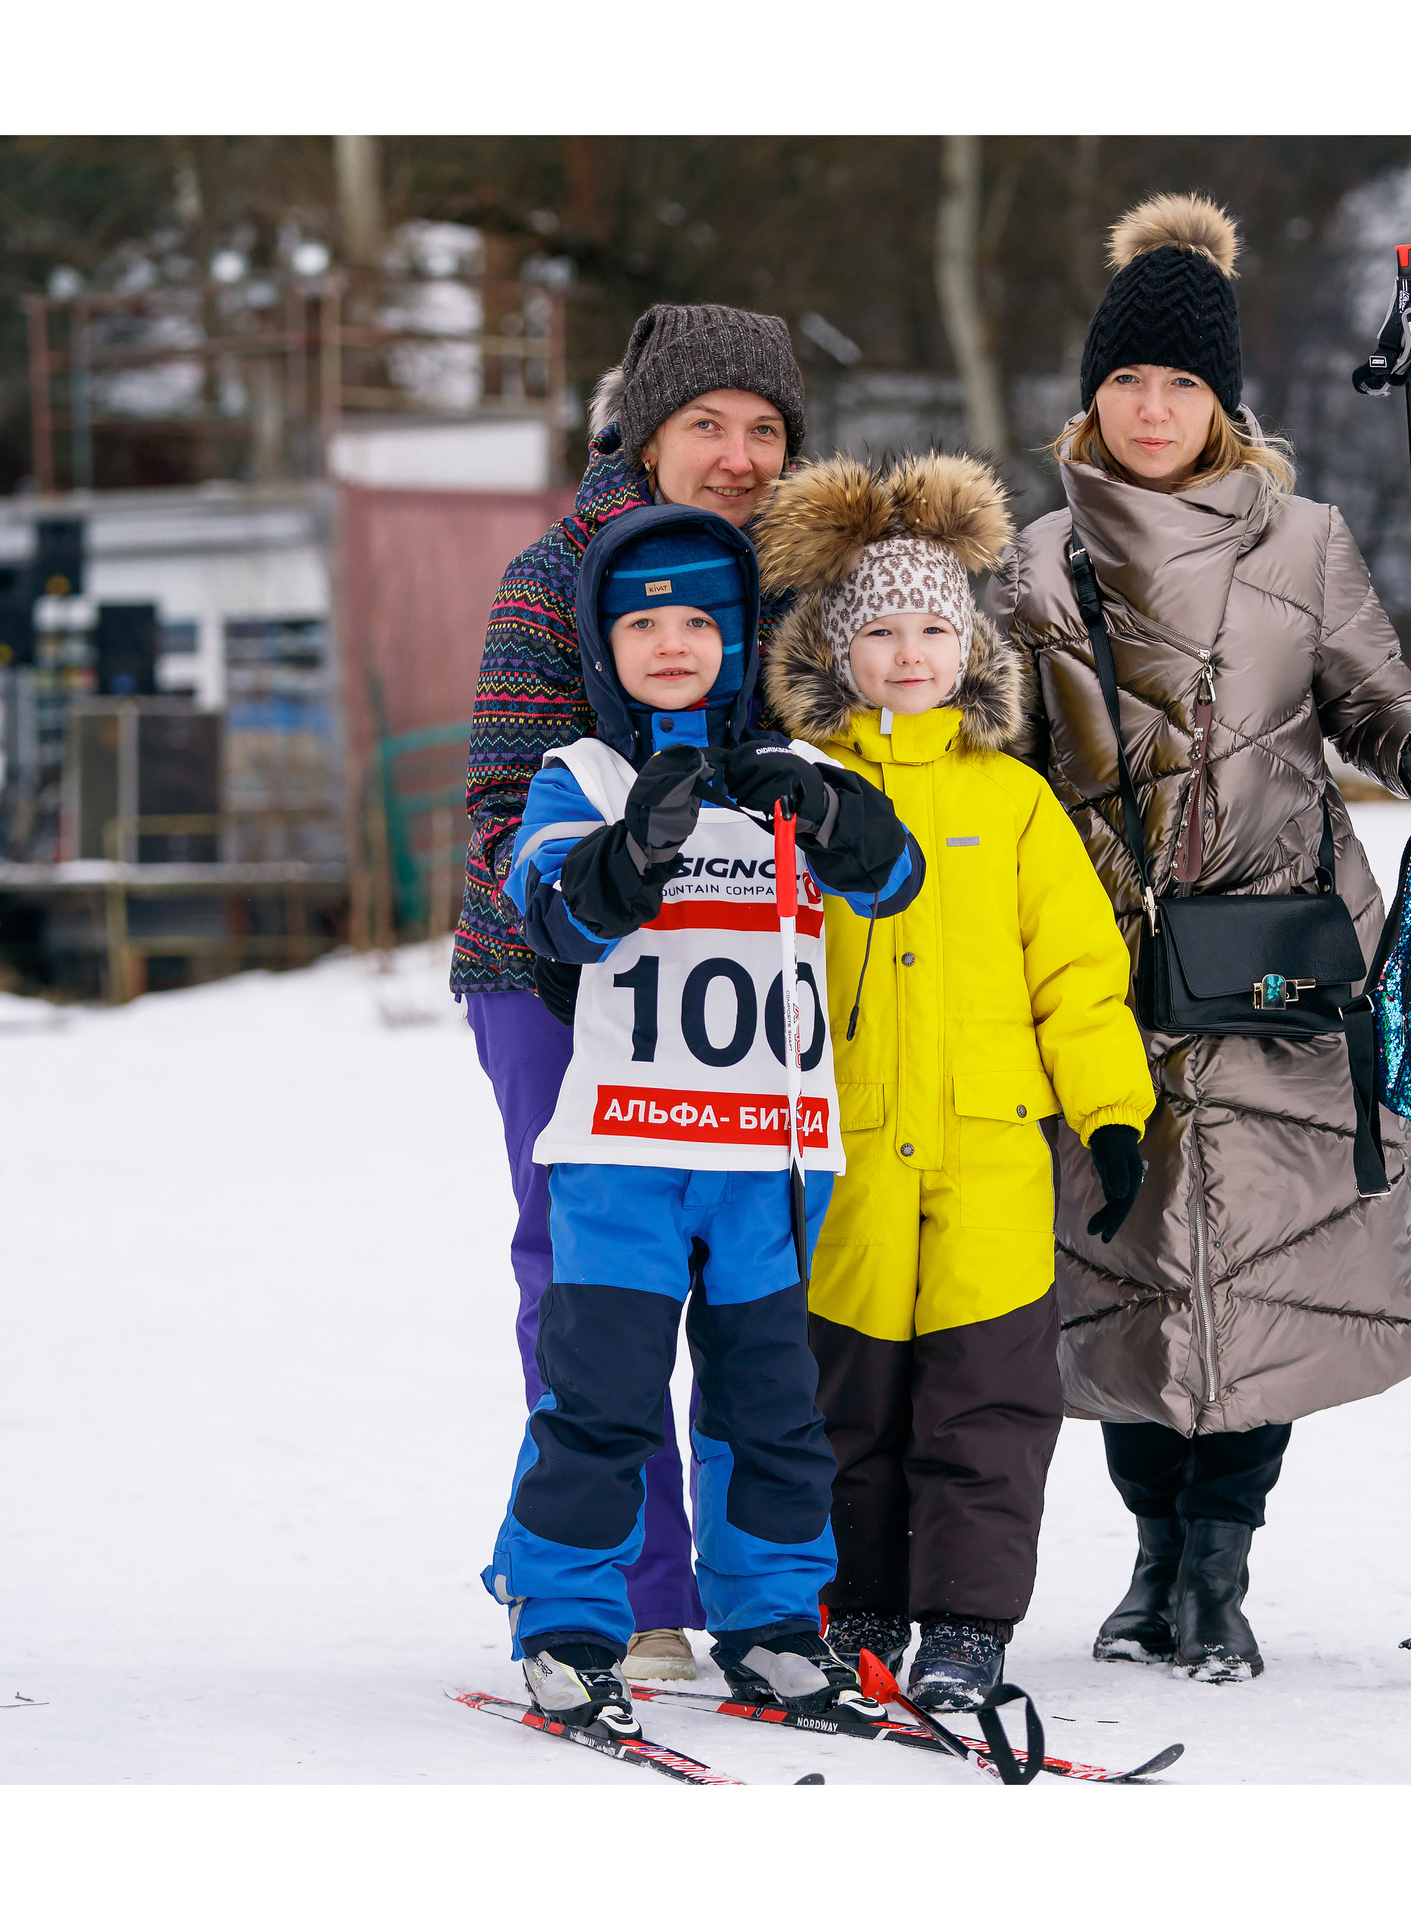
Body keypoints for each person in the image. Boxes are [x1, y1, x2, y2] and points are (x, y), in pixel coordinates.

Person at [1002, 194, 1411, 1684]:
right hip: (1102, 967)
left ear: (1223, 402)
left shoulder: (1307, 540)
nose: (1151, 408)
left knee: (1257, 1271)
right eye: (1128, 381)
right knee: (1123, 1269)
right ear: (1094, 394)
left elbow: (1368, 703)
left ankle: (1220, 1569)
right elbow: (994, 753)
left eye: (1180, 383)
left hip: (1280, 961)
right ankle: (1147, 1562)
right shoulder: (1040, 560)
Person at [481, 504, 925, 1733]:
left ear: (739, 639)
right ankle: (568, 1617)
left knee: (769, 1407)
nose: (672, 644)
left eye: (698, 622)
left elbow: (894, 879)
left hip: (766, 1161)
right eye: (642, 625)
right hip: (621, 1150)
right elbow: (547, 907)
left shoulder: (800, 767)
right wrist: (625, 858)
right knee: (601, 1400)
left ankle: (775, 1621)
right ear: (603, 646)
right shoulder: (585, 772)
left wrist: (830, 812)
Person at [756, 452, 1158, 1708]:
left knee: (986, 1410)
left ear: (971, 648)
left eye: (936, 626)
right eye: (881, 629)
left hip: (989, 1153)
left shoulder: (1016, 803)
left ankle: (968, 1626)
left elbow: (1076, 978)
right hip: (850, 1155)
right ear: (838, 651)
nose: (911, 651)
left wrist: (1110, 1110)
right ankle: (858, 1605)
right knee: (849, 1407)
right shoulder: (801, 796)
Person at [452, 304, 810, 1682]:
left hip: (741, 990)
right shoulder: (557, 575)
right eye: (707, 424)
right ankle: (633, 1589)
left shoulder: (790, 586)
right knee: (591, 1281)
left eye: (766, 429)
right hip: (555, 975)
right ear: (645, 430)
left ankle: (768, 1585)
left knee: (752, 1290)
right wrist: (572, 905)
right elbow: (499, 800)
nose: (738, 456)